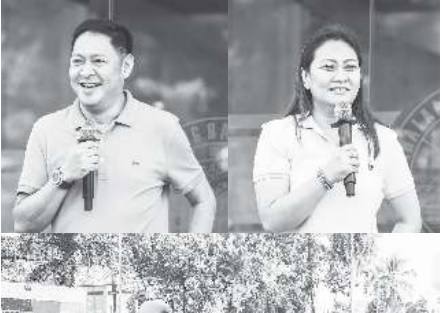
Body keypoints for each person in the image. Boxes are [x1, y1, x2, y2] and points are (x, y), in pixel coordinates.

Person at [13, 19, 216, 234]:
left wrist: (191, 261)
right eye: (78, 61)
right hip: (73, 268)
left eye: (98, 61)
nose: (86, 72)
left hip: (140, 268)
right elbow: (23, 225)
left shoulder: (162, 126)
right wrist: (62, 176)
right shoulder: (46, 130)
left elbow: (205, 201)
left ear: (126, 66)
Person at [253, 23, 421, 233]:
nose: (341, 77)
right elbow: (272, 222)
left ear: (360, 78)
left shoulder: (382, 139)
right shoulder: (278, 133)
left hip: (362, 264)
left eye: (350, 67)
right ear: (306, 78)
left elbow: (410, 220)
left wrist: (384, 258)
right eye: (329, 67)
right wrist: (327, 176)